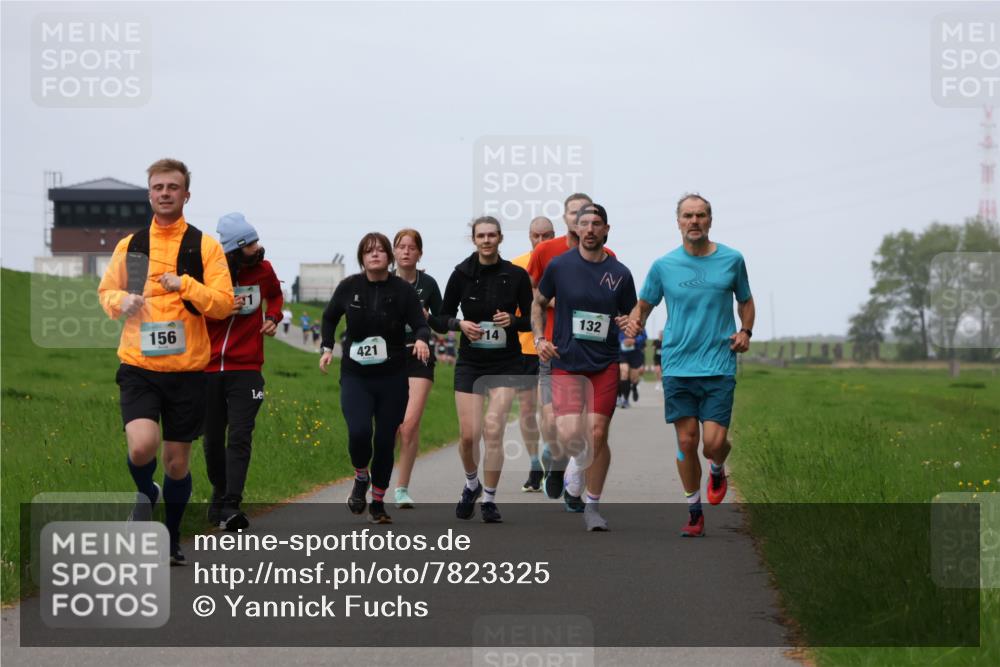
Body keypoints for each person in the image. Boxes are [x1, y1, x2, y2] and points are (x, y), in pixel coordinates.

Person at [98, 158, 234, 565]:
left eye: (172, 187)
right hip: (139, 366)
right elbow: (106, 292)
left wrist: (186, 285)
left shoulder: (203, 246)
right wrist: (124, 300)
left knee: (176, 464)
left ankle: (171, 537)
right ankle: (146, 492)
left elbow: (225, 305)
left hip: (188, 372)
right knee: (142, 449)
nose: (164, 193)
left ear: (186, 194)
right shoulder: (132, 245)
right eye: (158, 187)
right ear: (149, 194)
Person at [626, 193, 754, 538]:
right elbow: (645, 304)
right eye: (687, 216)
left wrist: (745, 331)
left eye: (700, 215)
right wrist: (636, 321)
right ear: (678, 222)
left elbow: (745, 301)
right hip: (678, 364)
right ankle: (694, 510)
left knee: (712, 443)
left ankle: (717, 466)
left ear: (710, 220)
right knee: (686, 442)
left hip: (718, 364)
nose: (694, 221)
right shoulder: (663, 265)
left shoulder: (732, 260)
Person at [532, 203, 636, 532]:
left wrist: (628, 324)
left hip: (603, 364)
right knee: (569, 434)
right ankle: (574, 469)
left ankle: (592, 506)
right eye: (584, 223)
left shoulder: (620, 273)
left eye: (597, 224)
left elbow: (631, 317)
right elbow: (537, 303)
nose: (590, 229)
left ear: (606, 230)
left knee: (597, 433)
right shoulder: (560, 266)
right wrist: (538, 339)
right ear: (576, 229)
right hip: (566, 363)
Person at [319, 233, 430, 524]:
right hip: (357, 376)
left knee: (384, 440)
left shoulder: (402, 290)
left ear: (389, 257)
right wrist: (327, 347)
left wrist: (421, 340)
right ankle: (360, 476)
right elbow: (329, 317)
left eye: (381, 250)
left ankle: (378, 502)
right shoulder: (349, 287)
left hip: (393, 376)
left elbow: (420, 323)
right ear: (362, 258)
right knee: (358, 432)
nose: (375, 255)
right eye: (369, 251)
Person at [441, 216, 533, 523]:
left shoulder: (516, 275)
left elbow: (533, 318)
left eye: (492, 235)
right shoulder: (460, 274)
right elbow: (440, 317)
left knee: (493, 429)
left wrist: (514, 321)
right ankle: (472, 484)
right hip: (470, 362)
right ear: (474, 239)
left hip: (506, 361)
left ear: (500, 238)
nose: (486, 240)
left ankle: (490, 500)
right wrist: (459, 324)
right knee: (469, 436)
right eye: (481, 235)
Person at [526, 193, 618, 500]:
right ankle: (556, 457)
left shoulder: (610, 257)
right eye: (576, 215)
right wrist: (538, 337)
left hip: (593, 352)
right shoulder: (546, 253)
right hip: (554, 347)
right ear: (567, 220)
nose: (584, 222)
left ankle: (577, 485)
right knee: (553, 422)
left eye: (590, 217)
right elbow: (535, 296)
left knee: (587, 428)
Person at [203, 213, 283, 531]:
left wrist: (274, 317)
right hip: (207, 369)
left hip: (247, 368)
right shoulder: (210, 272)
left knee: (239, 435)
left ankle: (231, 505)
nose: (258, 247)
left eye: (256, 240)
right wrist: (219, 308)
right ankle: (220, 494)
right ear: (236, 248)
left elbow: (275, 295)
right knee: (211, 440)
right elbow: (194, 309)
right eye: (250, 243)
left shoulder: (263, 269)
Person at [391, 228, 447, 509]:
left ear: (419, 253)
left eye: (411, 247)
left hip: (419, 355)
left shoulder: (429, 284)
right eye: (401, 247)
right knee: (388, 428)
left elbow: (442, 322)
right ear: (394, 252)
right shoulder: (382, 282)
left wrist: (429, 317)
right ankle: (376, 483)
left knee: (408, 426)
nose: (406, 251)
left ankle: (401, 488)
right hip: (387, 358)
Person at [510, 216, 555, 491]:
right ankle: (535, 462)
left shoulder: (563, 262)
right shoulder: (517, 265)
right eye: (535, 236)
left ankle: (551, 451)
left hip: (552, 346)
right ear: (529, 236)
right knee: (527, 411)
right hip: (524, 346)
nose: (540, 241)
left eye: (546, 235)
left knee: (549, 411)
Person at [616, 326, 647, 408]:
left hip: (635, 353)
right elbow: (615, 333)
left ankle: (634, 387)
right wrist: (622, 340)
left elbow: (644, 336)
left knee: (634, 378)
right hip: (622, 353)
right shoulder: (619, 319)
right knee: (624, 373)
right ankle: (624, 399)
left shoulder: (637, 321)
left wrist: (634, 340)